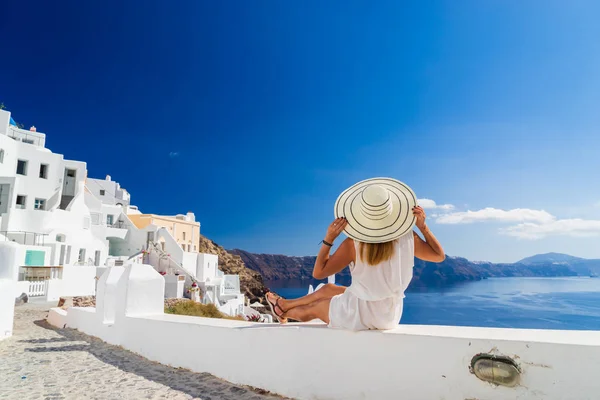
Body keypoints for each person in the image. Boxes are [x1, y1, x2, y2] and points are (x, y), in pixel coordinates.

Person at [265, 178, 445, 330]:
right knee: (328, 289)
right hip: (390, 313)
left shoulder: (354, 244)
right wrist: (423, 227)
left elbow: (318, 273)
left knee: (314, 308)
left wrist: (329, 239)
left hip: (363, 314)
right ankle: (285, 304)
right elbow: (438, 256)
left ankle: (283, 311)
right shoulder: (408, 237)